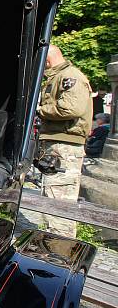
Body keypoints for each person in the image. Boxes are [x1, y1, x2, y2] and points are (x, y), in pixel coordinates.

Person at [37, 44, 93, 238]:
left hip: (65, 146)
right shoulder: (59, 77)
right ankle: (52, 243)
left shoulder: (70, 77)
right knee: (52, 197)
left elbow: (71, 109)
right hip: (59, 144)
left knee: (59, 204)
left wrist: (39, 110)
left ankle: (58, 250)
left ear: (47, 60)